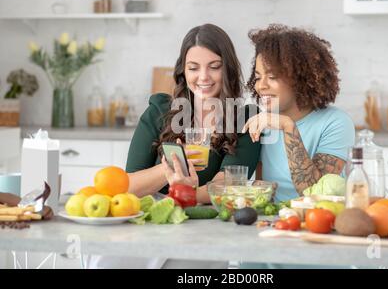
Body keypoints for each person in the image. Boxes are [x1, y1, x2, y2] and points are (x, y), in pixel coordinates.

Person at [240, 24, 355, 269]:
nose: (261, 86)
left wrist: (289, 128)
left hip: (317, 237)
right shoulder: (263, 122)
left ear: (300, 78)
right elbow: (263, 187)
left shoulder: (336, 123)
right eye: (258, 77)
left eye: (272, 77)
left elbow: (317, 196)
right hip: (273, 230)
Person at [126, 23, 260, 202]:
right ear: (183, 71)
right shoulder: (159, 110)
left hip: (211, 225)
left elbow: (227, 185)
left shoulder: (246, 118)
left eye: (214, 67)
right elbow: (128, 186)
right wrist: (172, 167)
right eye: (193, 68)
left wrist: (184, 194)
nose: (203, 76)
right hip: (154, 222)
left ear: (228, 69)